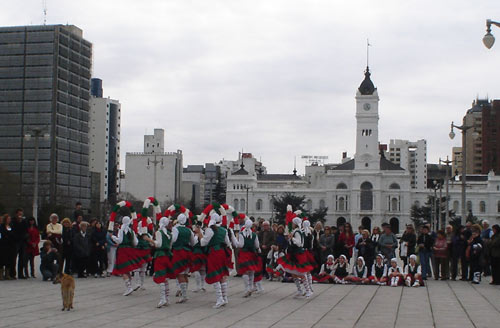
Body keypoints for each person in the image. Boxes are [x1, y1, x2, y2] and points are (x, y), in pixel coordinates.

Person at [196, 213, 232, 309]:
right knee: (222, 274)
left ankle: (220, 299)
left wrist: (200, 234)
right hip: (222, 253)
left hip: (214, 253)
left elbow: (203, 243)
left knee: (215, 274)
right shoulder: (224, 230)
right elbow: (228, 243)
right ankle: (224, 298)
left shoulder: (210, 229)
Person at [277, 217, 314, 298]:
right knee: (293, 273)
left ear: (295, 224)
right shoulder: (294, 231)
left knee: (302, 273)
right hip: (293, 254)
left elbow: (299, 243)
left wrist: (291, 238)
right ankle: (299, 290)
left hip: (298, 254)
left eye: (293, 223)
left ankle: (308, 291)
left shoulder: (297, 232)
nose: (292, 224)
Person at [112, 216, 144, 296]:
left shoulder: (121, 229)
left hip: (122, 250)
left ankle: (128, 287)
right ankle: (129, 286)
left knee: (123, 269)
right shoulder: (131, 231)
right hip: (130, 250)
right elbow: (136, 242)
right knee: (127, 269)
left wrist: (113, 237)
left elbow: (120, 240)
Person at [230, 218, 261, 297]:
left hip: (244, 253)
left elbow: (241, 245)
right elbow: (257, 245)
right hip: (252, 253)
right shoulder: (254, 235)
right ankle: (250, 287)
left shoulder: (241, 234)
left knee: (245, 271)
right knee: (251, 271)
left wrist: (235, 240)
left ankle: (247, 288)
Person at [171, 213, 195, 303]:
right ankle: (184, 294)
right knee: (185, 274)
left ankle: (184, 295)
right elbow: (193, 242)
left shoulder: (175, 229)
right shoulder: (189, 230)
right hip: (187, 252)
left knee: (180, 274)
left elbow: (173, 240)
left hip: (179, 252)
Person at [151, 217, 174, 307]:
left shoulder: (158, 232)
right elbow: (170, 246)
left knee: (160, 276)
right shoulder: (169, 234)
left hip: (160, 256)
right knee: (165, 278)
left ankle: (162, 299)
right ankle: (166, 298)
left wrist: (149, 240)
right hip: (167, 255)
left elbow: (158, 244)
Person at [12, 208, 28, 279]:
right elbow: (12, 231)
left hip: (23, 242)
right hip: (15, 242)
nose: (20, 216)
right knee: (13, 258)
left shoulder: (24, 221)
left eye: (21, 214)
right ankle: (12, 273)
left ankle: (20, 274)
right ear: (16, 214)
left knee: (22, 258)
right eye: (19, 214)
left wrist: (25, 237)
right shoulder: (13, 221)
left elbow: (26, 230)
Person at [0, 214, 17, 280]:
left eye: (10, 219)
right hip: (2, 245)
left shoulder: (11, 226)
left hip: (10, 246)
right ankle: (1, 275)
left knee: (9, 260)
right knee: (1, 260)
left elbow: (13, 234)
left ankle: (7, 274)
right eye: (8, 219)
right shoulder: (1, 226)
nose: (9, 220)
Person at [302, 220, 316, 290]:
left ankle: (308, 287)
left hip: (304, 252)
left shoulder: (303, 232)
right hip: (309, 251)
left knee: (305, 270)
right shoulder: (311, 233)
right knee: (308, 270)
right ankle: (309, 286)